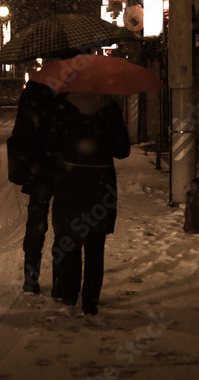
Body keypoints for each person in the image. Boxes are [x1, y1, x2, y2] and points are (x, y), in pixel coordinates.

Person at [48, 92, 130, 315]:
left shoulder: (63, 107)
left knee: (71, 242)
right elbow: (123, 150)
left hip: (70, 184)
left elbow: (52, 144)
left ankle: (69, 293)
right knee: (95, 248)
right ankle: (90, 301)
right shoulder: (109, 108)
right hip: (99, 185)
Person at [7, 79, 59, 294]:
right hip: (66, 167)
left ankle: (31, 276)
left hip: (39, 169)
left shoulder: (36, 89)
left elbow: (20, 131)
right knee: (64, 226)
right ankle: (62, 281)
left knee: (37, 224)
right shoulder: (75, 87)